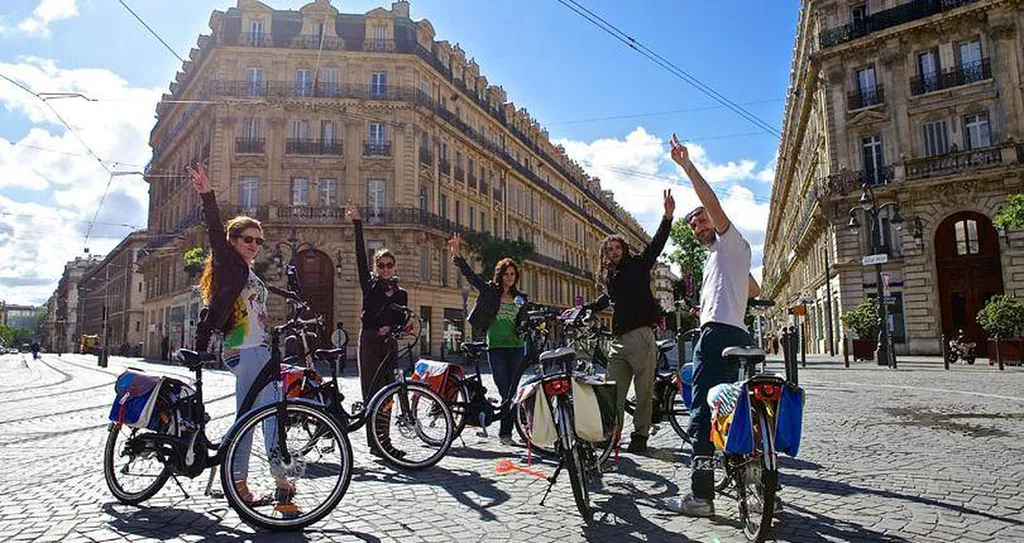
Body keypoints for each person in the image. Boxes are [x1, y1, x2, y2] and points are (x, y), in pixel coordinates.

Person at [663, 134, 767, 517]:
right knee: (735, 409)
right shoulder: (722, 257)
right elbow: (754, 289)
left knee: (701, 415)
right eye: (693, 224)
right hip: (737, 333)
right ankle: (757, 475)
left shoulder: (729, 241)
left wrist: (687, 166)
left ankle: (701, 496)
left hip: (716, 337)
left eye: (701, 218)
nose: (698, 225)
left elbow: (713, 203)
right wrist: (706, 307)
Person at [188, 163, 292, 506]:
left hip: (251, 348)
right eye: (248, 239)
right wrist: (207, 194)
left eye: (259, 241)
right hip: (246, 349)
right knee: (268, 412)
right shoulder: (229, 262)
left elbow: (254, 305)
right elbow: (214, 230)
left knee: (252, 415)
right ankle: (275, 480)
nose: (255, 245)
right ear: (233, 241)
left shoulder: (245, 270)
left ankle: (243, 482)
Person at [582, 188, 675, 454]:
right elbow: (607, 299)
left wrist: (667, 217)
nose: (613, 252)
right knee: (613, 391)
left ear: (624, 248)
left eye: (617, 247)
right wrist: (586, 308)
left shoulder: (639, 264)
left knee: (644, 391)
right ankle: (611, 435)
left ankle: (640, 435)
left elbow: (656, 244)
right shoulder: (611, 277)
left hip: (641, 336)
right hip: (618, 339)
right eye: (609, 249)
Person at [448, 232, 529, 446]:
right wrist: (457, 256)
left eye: (513, 274)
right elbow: (472, 277)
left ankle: (506, 434)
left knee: (512, 392)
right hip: (496, 348)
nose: (509, 277)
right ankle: (509, 430)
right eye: (506, 274)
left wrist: (525, 328)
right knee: (505, 390)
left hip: (517, 348)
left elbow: (524, 321)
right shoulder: (491, 291)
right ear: (500, 275)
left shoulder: (521, 298)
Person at [345, 201, 409, 457]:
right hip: (370, 341)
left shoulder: (401, 293)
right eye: (381, 265)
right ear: (375, 267)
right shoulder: (369, 285)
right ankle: (375, 444)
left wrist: (395, 328)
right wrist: (357, 223)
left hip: (389, 343)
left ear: (394, 267)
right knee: (371, 391)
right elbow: (360, 255)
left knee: (389, 392)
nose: (385, 269)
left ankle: (385, 442)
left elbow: (402, 319)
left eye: (389, 265)